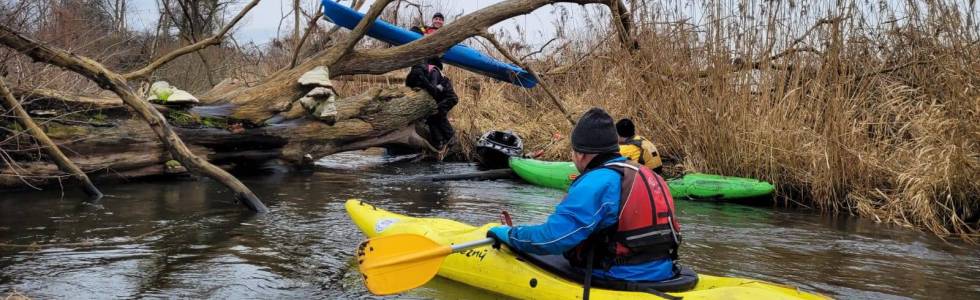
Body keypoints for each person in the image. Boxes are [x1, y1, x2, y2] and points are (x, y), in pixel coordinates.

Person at [487, 108, 681, 283]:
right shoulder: (649, 174)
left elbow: (553, 239)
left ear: (580, 154)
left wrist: (509, 234)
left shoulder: (597, 182)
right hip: (664, 270)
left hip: (618, 274)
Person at [404, 31, 458, 159]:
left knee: (438, 114)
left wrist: (427, 82)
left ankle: (451, 139)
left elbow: (434, 89)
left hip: (449, 98)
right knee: (432, 117)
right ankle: (439, 143)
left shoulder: (434, 71)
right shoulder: (430, 71)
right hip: (445, 97)